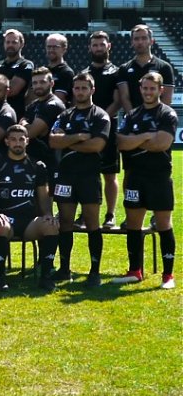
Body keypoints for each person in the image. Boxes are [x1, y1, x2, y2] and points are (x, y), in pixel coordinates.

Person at [113, 72, 177, 289]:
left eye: (152, 88)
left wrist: (135, 141)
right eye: (145, 88)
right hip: (134, 177)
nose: (148, 92)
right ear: (140, 90)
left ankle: (168, 276)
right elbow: (120, 143)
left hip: (159, 177)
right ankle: (135, 271)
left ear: (160, 90)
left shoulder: (167, 114)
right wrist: (146, 136)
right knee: (133, 224)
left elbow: (162, 143)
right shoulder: (132, 115)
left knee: (162, 224)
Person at [49, 72, 111, 288]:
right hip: (66, 175)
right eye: (77, 88)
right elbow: (53, 141)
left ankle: (94, 272)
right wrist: (76, 138)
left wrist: (66, 142)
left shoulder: (100, 116)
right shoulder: (65, 115)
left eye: (84, 88)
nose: (80, 92)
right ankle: (65, 269)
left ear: (92, 90)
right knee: (65, 222)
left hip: (88, 176)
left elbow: (97, 146)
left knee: (92, 223)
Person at [0, 124, 59, 292]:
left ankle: (46, 276)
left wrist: (48, 214)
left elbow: (43, 196)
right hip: (6, 220)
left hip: (29, 222)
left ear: (27, 141)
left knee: (51, 225)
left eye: (21, 139)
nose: (17, 143)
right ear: (6, 142)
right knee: (1, 226)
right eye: (13, 139)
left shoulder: (37, 166)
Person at [87, 31, 123, 229]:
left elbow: (117, 101)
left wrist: (101, 121)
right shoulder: (84, 73)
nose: (98, 48)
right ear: (89, 48)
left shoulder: (116, 72)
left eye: (102, 44)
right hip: (87, 129)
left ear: (109, 46)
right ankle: (85, 213)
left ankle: (110, 214)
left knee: (109, 175)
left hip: (108, 127)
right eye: (95, 45)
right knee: (87, 173)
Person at [21, 67, 65, 185]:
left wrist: (25, 124)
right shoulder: (34, 105)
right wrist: (27, 124)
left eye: (42, 82)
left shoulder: (53, 105)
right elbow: (23, 126)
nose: (38, 85)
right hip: (33, 158)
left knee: (45, 198)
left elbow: (30, 133)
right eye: (35, 83)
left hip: (49, 160)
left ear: (51, 83)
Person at [117, 24, 175, 111]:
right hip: (133, 121)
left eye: (144, 38)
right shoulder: (124, 69)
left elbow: (167, 99)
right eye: (136, 39)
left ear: (151, 41)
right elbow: (125, 98)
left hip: (157, 121)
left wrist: (156, 119)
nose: (140, 42)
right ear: (132, 42)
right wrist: (133, 118)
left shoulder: (165, 67)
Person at [0, 29, 34, 117]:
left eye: (14, 42)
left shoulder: (26, 64)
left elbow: (12, 90)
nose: (10, 45)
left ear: (21, 44)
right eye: (8, 42)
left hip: (14, 113)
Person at [43, 33, 74, 103]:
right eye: (49, 47)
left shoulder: (66, 72)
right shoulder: (43, 71)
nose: (51, 50)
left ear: (64, 49)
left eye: (55, 47)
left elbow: (57, 100)